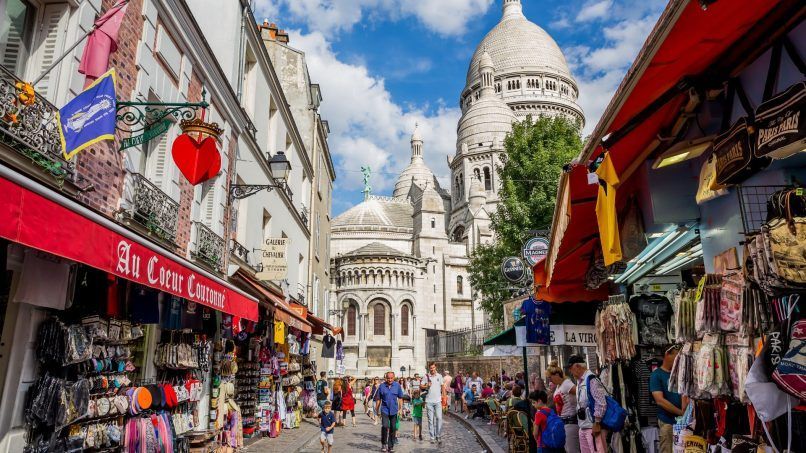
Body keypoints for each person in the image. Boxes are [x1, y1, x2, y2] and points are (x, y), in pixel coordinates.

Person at [567, 355, 607, 453]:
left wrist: (597, 422)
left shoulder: (591, 379)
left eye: (570, 368)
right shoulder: (579, 381)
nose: (570, 372)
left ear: (578, 366)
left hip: (592, 427)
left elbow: (601, 402)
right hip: (583, 426)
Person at [651, 345, 687, 453]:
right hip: (668, 422)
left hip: (684, 423)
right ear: (667, 354)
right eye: (676, 355)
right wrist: (681, 412)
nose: (678, 358)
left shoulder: (680, 373)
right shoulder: (656, 375)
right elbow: (660, 400)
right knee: (667, 450)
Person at [546, 361, 580, 453]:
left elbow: (580, 393)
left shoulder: (566, 384)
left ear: (557, 375)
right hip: (564, 421)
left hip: (570, 421)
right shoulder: (559, 386)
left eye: (550, 377)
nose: (550, 380)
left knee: (572, 450)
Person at [375, 371, 408, 453]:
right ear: (386, 378)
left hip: (394, 410)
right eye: (388, 378)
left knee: (393, 428)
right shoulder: (382, 386)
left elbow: (400, 398)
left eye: (391, 378)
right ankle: (383, 443)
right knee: (385, 426)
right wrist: (377, 409)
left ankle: (391, 446)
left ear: (394, 377)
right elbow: (378, 399)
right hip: (384, 409)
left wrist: (400, 409)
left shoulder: (397, 386)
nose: (389, 380)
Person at [421, 362, 446, 444]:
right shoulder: (426, 376)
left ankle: (438, 435)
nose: (432, 369)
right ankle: (432, 437)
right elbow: (421, 386)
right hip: (429, 401)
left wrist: (444, 398)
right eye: (431, 368)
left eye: (433, 367)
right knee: (430, 420)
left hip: (438, 401)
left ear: (436, 368)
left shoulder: (439, 376)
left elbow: (442, 387)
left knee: (439, 418)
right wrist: (426, 385)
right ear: (429, 368)